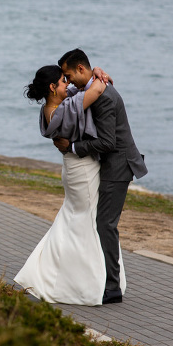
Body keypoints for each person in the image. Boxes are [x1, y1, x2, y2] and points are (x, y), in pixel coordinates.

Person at [13, 64, 118, 305]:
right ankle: (82, 281)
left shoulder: (49, 110)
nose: (68, 84)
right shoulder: (65, 110)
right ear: (52, 87)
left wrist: (96, 69)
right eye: (63, 81)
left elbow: (83, 90)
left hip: (72, 168)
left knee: (73, 218)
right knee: (84, 221)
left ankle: (51, 273)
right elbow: (97, 89)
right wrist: (98, 74)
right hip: (82, 169)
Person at [54, 49, 147, 304]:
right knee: (100, 223)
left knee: (105, 224)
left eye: (69, 75)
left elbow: (107, 142)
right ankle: (104, 279)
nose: (69, 80)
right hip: (110, 165)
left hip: (118, 167)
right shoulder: (91, 86)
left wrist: (71, 148)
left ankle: (113, 287)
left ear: (81, 69)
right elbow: (63, 93)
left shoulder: (103, 97)